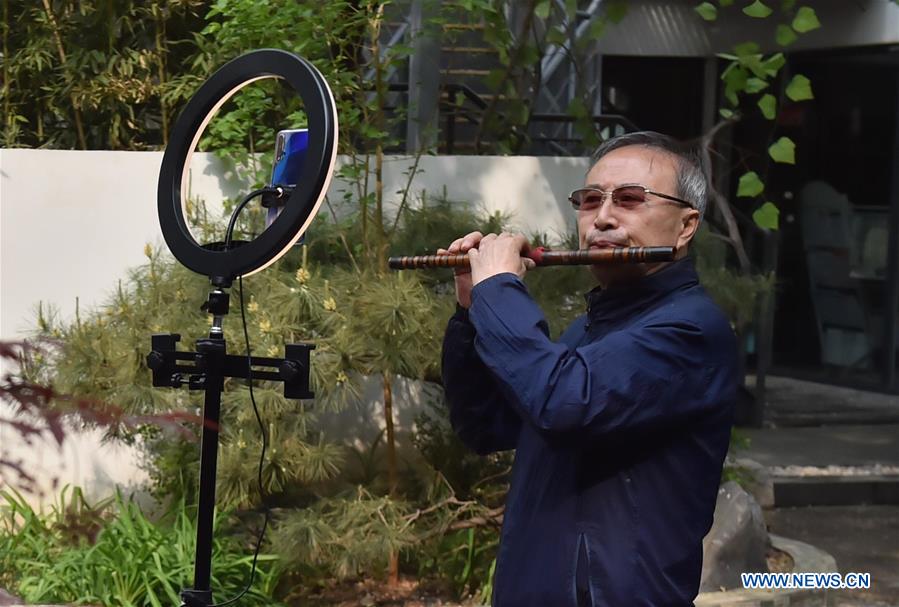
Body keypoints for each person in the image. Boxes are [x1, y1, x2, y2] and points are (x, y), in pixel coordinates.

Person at [439, 131, 738, 606]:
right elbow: (485, 426)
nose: (602, 217)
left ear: (686, 226)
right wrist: (472, 308)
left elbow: (563, 403)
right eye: (590, 200)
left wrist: (499, 290)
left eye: (630, 200)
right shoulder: (588, 329)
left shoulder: (689, 332)